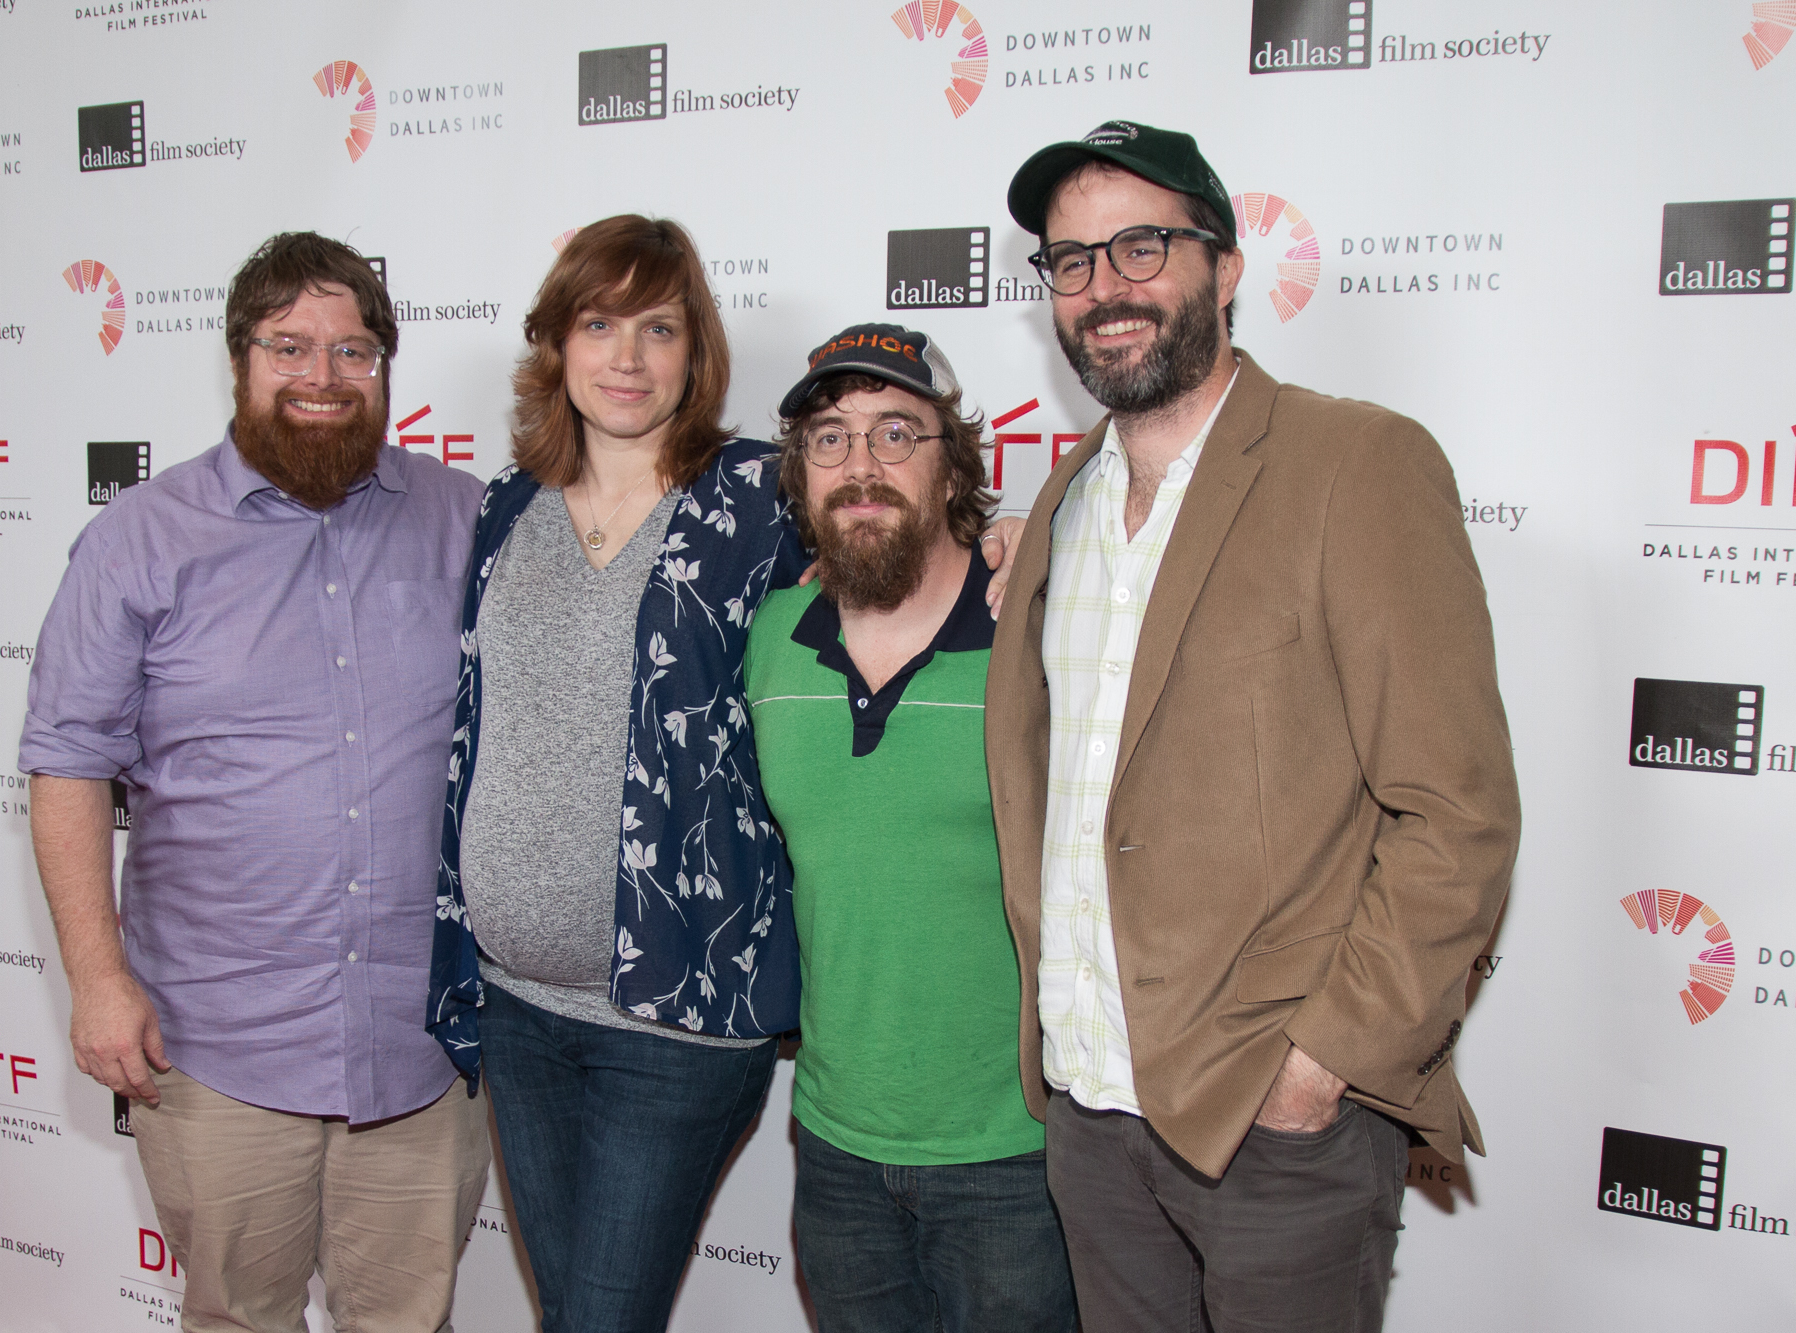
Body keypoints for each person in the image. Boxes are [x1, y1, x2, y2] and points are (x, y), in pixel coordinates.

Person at [423, 220, 1023, 1333]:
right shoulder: (506, 505)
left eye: (659, 328)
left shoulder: (760, 496)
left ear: (695, 353)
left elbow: (895, 547)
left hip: (676, 1009)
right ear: (555, 346)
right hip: (515, 1001)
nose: (627, 357)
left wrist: (1013, 535)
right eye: (598, 324)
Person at [983, 121, 1522, 1331]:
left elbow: (1456, 809)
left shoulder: (1354, 463)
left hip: (1270, 1124)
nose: (1102, 288)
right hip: (1086, 1112)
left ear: (1224, 267)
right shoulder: (1060, 504)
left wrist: (1321, 1059)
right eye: (1069, 261)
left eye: (1139, 246)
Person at [21, 232, 491, 1333]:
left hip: (422, 1043)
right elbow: (68, 763)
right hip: (216, 1041)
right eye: (290, 347)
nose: (322, 378)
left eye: (353, 351)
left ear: (384, 365)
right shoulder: (140, 540)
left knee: (409, 1320)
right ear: (241, 359)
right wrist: (96, 981)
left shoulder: (467, 519)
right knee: (238, 1318)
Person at [744, 324, 1076, 1333]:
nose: (862, 466)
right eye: (831, 438)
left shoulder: (1041, 628)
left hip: (1013, 1158)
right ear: (799, 474)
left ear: (952, 466)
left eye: (897, 433)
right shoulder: (770, 639)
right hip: (834, 1149)